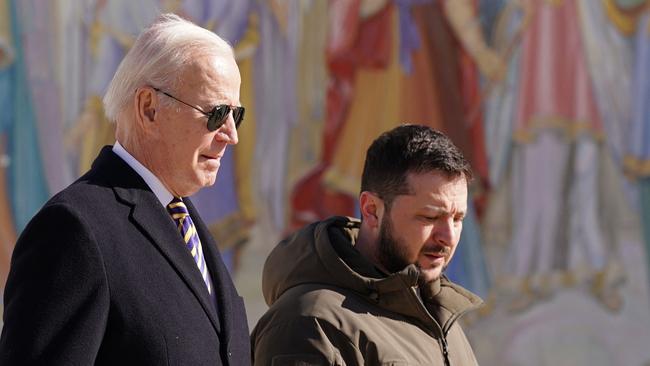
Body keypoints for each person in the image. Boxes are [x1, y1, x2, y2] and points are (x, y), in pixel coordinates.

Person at [0, 13, 251, 365]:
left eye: (235, 116)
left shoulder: (190, 229)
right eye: (216, 113)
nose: (231, 136)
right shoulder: (73, 230)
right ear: (149, 109)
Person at [252, 124, 483, 365]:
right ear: (372, 210)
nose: (449, 236)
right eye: (430, 217)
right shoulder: (310, 323)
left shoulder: (440, 319)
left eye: (458, 219)